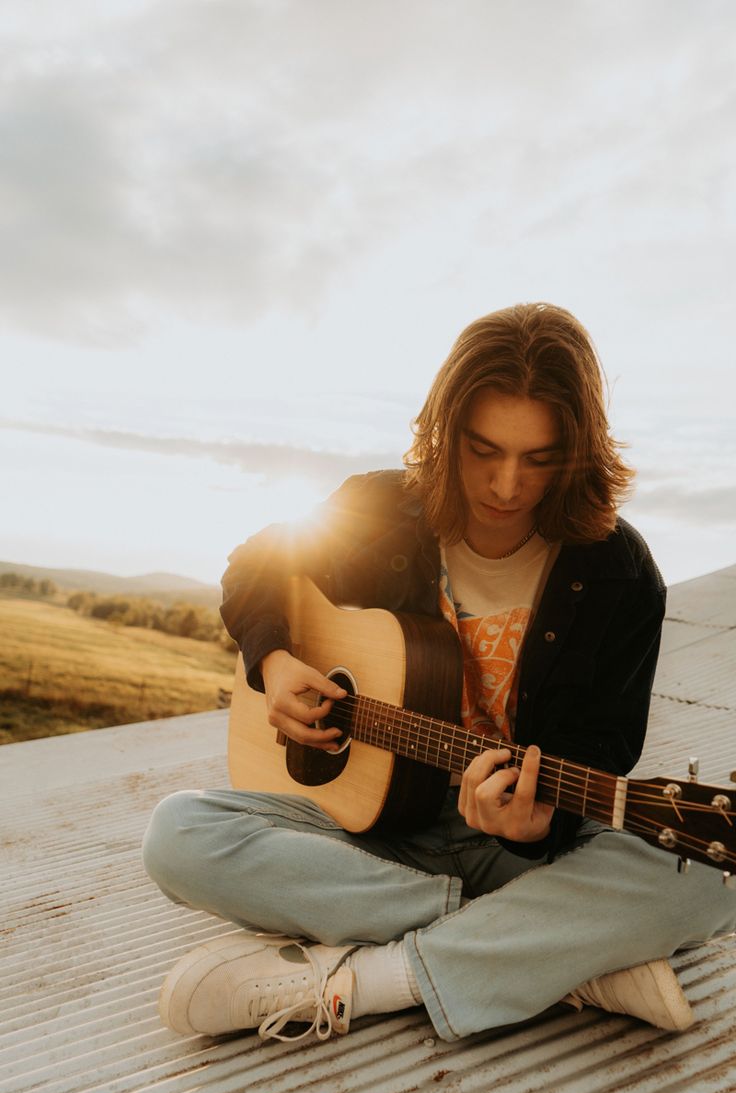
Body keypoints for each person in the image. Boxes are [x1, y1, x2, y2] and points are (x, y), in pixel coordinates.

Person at [143, 302, 735, 1044]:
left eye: (539, 458)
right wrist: (277, 659)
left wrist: (531, 831)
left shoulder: (618, 572)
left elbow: (600, 753)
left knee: (707, 885)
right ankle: (552, 952)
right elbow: (256, 565)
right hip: (371, 835)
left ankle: (372, 981)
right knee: (177, 835)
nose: (507, 484)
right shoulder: (382, 507)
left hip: (513, 852)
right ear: (446, 428)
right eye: (483, 450)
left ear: (576, 451)